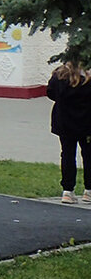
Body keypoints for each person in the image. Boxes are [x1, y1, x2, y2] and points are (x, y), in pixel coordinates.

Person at [46, 62, 91, 204]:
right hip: (87, 122)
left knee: (67, 154)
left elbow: (50, 92)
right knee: (89, 155)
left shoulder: (60, 74)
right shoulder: (88, 76)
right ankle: (89, 191)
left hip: (65, 121)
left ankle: (67, 191)